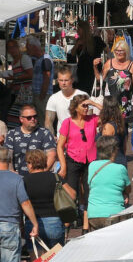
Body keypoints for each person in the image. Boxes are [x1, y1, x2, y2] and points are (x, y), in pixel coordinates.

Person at [56, 95, 98, 233]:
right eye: (83, 106)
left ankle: (86, 228)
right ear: (75, 108)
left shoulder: (92, 120)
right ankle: (66, 227)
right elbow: (60, 146)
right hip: (73, 160)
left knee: (88, 193)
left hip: (89, 162)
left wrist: (93, 103)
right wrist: (63, 165)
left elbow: (110, 115)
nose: (86, 108)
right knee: (70, 194)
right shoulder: (67, 123)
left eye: (87, 106)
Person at [23, 149, 75, 249]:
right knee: (56, 257)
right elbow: (72, 195)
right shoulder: (55, 177)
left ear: (30, 164)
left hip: (33, 224)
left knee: (37, 257)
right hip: (54, 222)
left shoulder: (24, 181)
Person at [86, 136, 130, 231]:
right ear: (113, 151)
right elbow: (128, 188)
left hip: (94, 215)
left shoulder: (92, 166)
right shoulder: (120, 168)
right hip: (113, 214)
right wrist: (124, 193)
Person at [96, 37, 133, 121]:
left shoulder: (132, 66)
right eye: (116, 51)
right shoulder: (109, 63)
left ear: (126, 51)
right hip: (111, 102)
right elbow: (99, 80)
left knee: (125, 128)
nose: (118, 53)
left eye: (121, 50)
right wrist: (95, 67)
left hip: (126, 101)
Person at [4, 105, 56, 177]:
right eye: (29, 117)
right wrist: (12, 172)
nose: (33, 119)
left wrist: (42, 172)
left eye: (35, 116)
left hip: (39, 177)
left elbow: (51, 155)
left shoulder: (45, 133)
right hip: (18, 177)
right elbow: (7, 156)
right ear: (21, 119)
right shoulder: (12, 134)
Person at [0, 39, 34, 130]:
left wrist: (14, 78)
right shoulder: (14, 61)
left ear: (18, 47)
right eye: (9, 48)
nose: (12, 50)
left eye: (13, 47)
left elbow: (30, 74)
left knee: (18, 116)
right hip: (18, 93)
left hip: (25, 94)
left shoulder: (24, 58)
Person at [45, 66, 88, 136]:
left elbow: (89, 118)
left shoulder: (83, 95)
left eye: (66, 80)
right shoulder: (53, 98)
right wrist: (52, 139)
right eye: (61, 80)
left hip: (81, 136)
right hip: (62, 138)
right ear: (57, 80)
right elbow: (48, 122)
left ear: (72, 80)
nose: (63, 83)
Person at [69, 20, 106, 93]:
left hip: (94, 71)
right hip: (82, 72)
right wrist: (77, 44)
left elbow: (108, 50)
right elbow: (72, 54)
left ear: (84, 30)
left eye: (78, 29)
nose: (77, 31)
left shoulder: (96, 40)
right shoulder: (79, 41)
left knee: (93, 92)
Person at [26, 36, 54, 126]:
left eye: (28, 47)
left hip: (43, 95)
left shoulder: (45, 59)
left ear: (33, 47)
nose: (26, 50)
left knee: (45, 121)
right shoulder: (39, 59)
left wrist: (42, 95)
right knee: (41, 120)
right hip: (39, 94)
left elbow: (47, 77)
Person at [92, 96, 127, 166]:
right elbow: (124, 146)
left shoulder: (108, 126)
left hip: (110, 163)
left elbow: (105, 149)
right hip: (121, 159)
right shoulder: (121, 123)